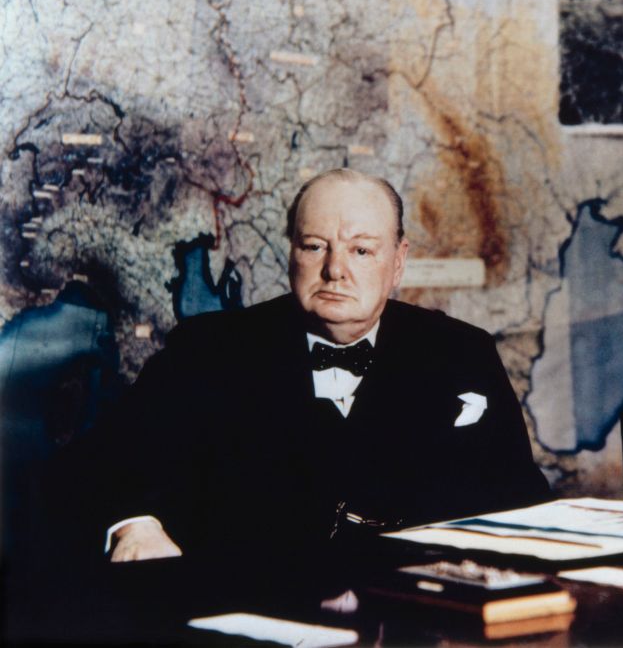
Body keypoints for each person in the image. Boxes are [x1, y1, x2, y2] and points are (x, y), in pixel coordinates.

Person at [97, 168, 550, 574]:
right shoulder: (204, 351)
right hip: (252, 606)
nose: (335, 270)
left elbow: (519, 494)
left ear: (398, 262)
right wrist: (136, 526)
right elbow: (115, 463)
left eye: (361, 251)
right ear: (292, 252)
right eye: (315, 246)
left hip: (418, 614)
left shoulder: (462, 351)